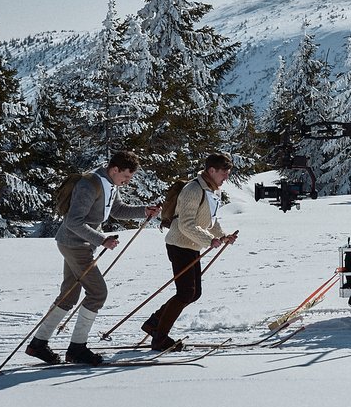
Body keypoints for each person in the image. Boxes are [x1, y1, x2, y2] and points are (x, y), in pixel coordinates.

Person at [25, 151, 161, 365]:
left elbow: (116, 209)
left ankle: (38, 345)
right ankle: (77, 349)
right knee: (98, 293)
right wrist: (101, 239)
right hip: (75, 244)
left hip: (78, 244)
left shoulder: (109, 184)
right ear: (114, 169)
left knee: (69, 296)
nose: (126, 182)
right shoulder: (90, 185)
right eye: (125, 177)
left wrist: (143, 211)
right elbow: (73, 221)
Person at [142, 152, 238, 351]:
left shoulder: (212, 190)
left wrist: (223, 235)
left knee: (194, 293)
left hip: (192, 246)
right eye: (224, 172)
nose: (226, 176)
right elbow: (185, 224)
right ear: (211, 171)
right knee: (186, 293)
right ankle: (160, 338)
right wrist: (209, 240)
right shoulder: (193, 189)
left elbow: (210, 220)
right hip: (179, 245)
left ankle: (154, 323)